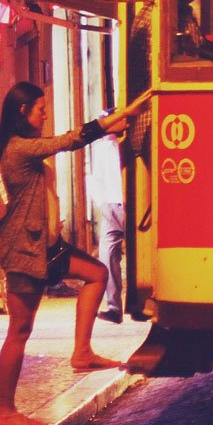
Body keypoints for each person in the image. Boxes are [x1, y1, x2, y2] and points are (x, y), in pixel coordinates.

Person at [0, 83, 144, 425]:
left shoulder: (23, 147)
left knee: (96, 274)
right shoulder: (18, 149)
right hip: (24, 249)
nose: (45, 113)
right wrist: (106, 124)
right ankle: (5, 411)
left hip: (47, 245)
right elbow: (67, 141)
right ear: (22, 111)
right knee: (20, 328)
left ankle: (82, 353)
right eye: (40, 108)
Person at [90, 136, 125, 324]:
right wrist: (102, 203)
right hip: (111, 206)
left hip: (134, 204)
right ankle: (114, 308)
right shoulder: (102, 148)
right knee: (107, 256)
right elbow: (97, 179)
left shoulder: (130, 142)